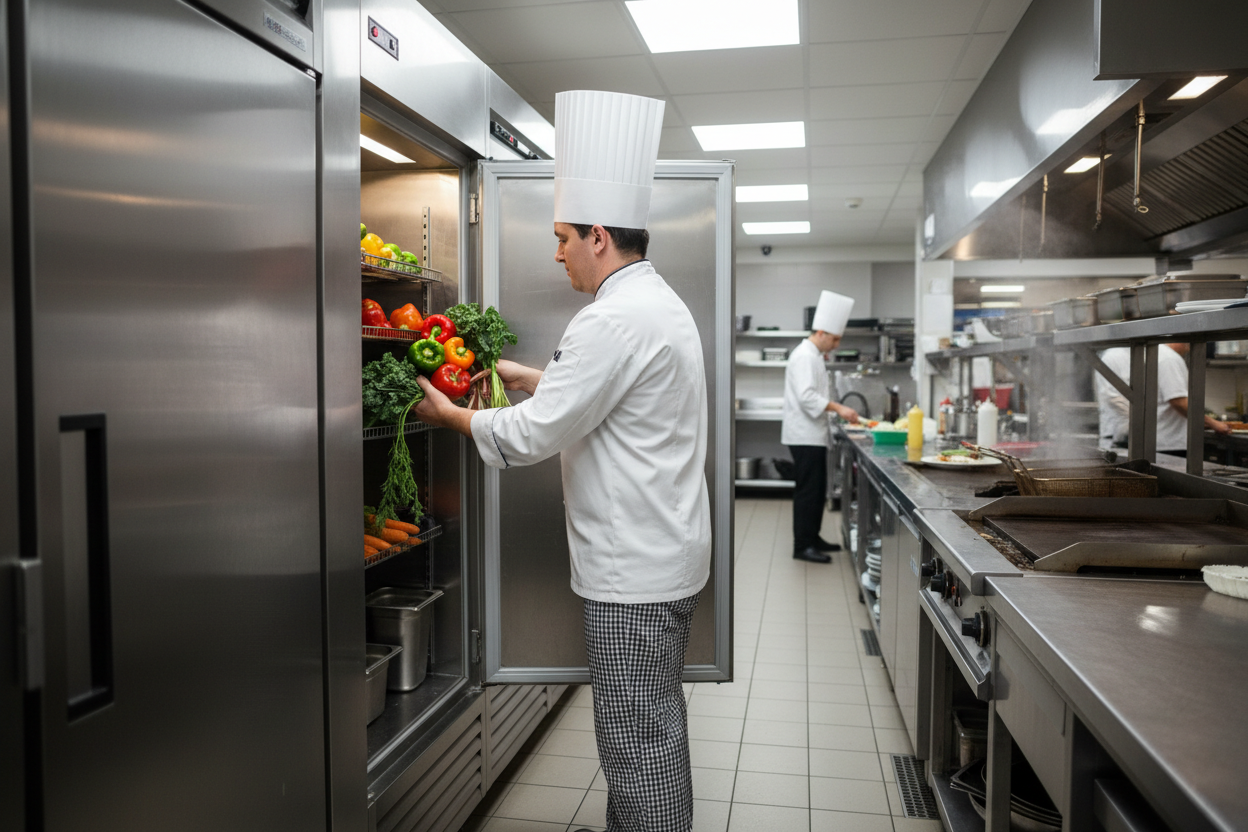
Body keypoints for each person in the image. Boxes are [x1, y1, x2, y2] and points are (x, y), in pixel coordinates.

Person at [413, 90, 709, 832]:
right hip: (660, 554)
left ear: (599, 237)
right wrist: (528, 376)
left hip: (632, 572)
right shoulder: (654, 305)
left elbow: (536, 435)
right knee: (648, 733)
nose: (558, 253)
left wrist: (452, 416)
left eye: (562, 238)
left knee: (639, 744)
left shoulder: (609, 318)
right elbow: (610, 400)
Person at [782, 290, 860, 564]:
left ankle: (813, 538)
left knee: (816, 491)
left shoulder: (814, 355)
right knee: (807, 492)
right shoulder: (804, 356)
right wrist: (839, 408)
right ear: (823, 333)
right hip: (804, 436)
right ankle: (802, 545)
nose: (837, 344)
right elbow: (806, 396)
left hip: (812, 434)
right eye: (836, 338)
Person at [1095, 343, 1229, 452]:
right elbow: (1178, 401)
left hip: (1153, 440)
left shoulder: (1153, 354)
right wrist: (1214, 423)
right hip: (1169, 442)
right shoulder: (1169, 358)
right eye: (1188, 343)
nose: (1188, 347)